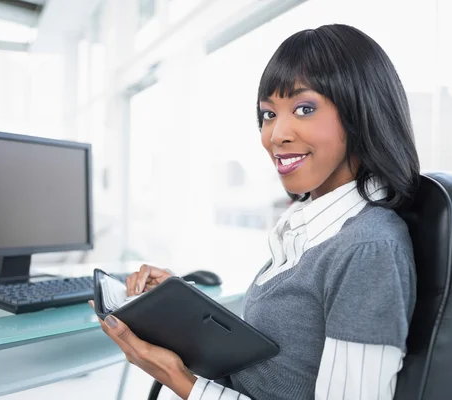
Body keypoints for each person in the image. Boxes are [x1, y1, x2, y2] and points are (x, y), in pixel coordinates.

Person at [90, 23, 419, 399]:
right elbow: (279, 359)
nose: (275, 135)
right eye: (268, 115)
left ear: (361, 111)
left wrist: (179, 379)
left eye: (304, 108)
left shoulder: (367, 249)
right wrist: (177, 300)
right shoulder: (309, 225)